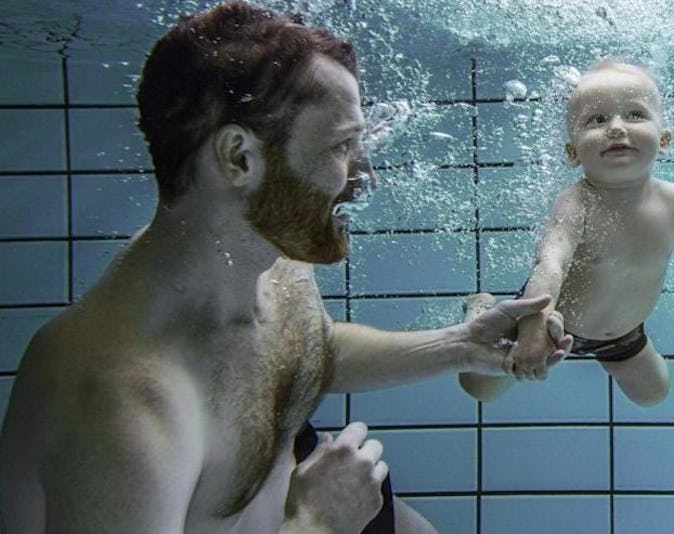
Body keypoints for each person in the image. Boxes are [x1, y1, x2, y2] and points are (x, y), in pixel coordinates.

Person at [0, 2, 564, 533]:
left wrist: (460, 346)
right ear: (239, 158)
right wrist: (316, 523)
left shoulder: (274, 261)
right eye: (343, 146)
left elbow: (305, 350)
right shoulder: (122, 408)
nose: (366, 177)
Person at [459, 60, 674, 406]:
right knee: (478, 387)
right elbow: (549, 265)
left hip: (623, 333)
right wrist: (532, 327)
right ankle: (480, 312)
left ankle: (604, 354)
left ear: (664, 139)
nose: (617, 128)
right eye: (597, 119)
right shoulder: (576, 203)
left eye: (635, 114)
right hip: (548, 321)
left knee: (653, 395)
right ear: (572, 152)